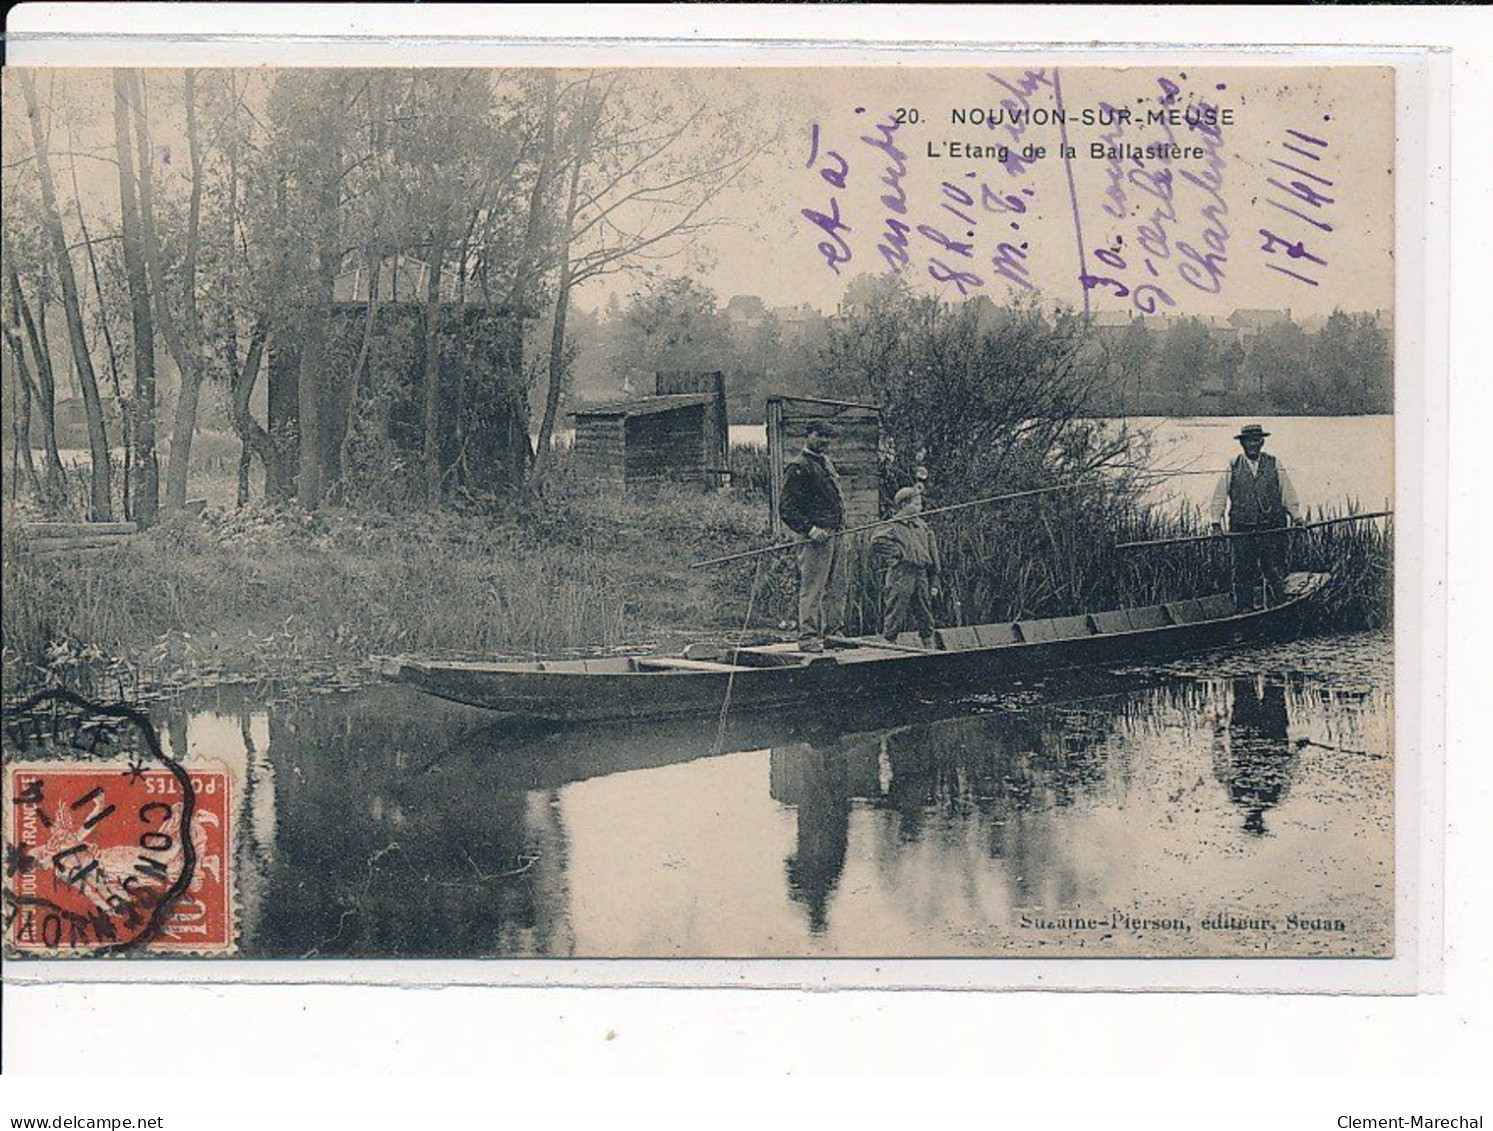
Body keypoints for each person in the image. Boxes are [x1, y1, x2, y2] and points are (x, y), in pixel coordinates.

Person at [1209, 423, 1303, 611]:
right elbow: (1219, 495)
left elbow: (1288, 493)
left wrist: (1297, 517)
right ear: (1242, 443)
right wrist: (1216, 524)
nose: (1253, 444)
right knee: (1243, 569)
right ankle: (1244, 608)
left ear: (1262, 442)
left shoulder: (1275, 463)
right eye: (1248, 440)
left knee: (1274, 567)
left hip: (1272, 526)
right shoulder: (1232, 465)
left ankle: (1280, 605)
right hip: (1242, 527)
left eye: (1256, 440)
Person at [778, 419, 847, 652]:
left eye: (827, 436)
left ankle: (833, 634)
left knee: (837, 587)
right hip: (815, 538)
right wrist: (810, 529)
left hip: (836, 534)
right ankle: (808, 637)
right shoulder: (799, 466)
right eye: (819, 435)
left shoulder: (826, 462)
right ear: (807, 436)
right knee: (813, 588)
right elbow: (787, 508)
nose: (824, 440)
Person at [871, 486, 941, 649]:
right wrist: (897, 553)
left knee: (924, 610)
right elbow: (876, 542)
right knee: (896, 609)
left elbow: (933, 553)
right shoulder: (893, 525)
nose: (920, 508)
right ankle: (889, 644)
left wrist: (935, 578)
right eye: (916, 504)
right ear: (903, 506)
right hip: (901, 574)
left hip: (921, 573)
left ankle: (928, 645)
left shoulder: (922, 526)